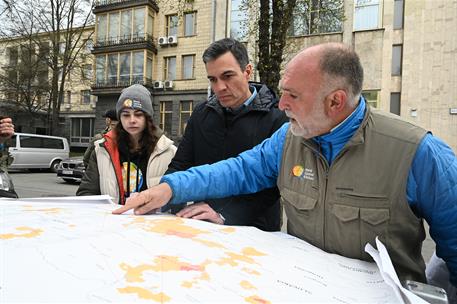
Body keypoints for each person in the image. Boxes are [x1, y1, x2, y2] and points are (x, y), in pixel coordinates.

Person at [113, 43, 457, 290]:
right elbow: (237, 170)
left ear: (335, 100)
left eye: (293, 95)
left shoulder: (418, 154)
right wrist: (168, 189)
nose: (281, 103)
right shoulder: (290, 138)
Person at [166, 38, 287, 230]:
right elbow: (181, 163)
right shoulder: (201, 113)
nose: (219, 87)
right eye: (213, 79)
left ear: (247, 71)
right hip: (203, 225)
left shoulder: (277, 118)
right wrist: (164, 198)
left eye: (227, 76)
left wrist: (226, 216)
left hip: (255, 233)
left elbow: (273, 186)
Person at [77, 84, 177, 204]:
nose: (132, 120)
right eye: (126, 115)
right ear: (120, 118)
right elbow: (86, 194)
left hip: (151, 221)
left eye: (138, 114)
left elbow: (176, 200)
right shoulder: (102, 150)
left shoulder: (168, 151)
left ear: (148, 118)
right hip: (114, 220)